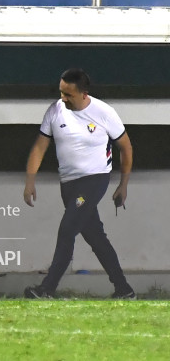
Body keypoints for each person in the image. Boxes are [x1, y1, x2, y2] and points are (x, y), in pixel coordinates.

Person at [22, 69, 135, 299]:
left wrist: (123, 185)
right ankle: (124, 289)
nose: (63, 98)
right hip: (69, 184)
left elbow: (126, 147)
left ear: (84, 94)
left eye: (68, 94)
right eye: (61, 92)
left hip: (95, 180)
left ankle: (46, 289)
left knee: (67, 229)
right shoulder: (54, 111)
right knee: (96, 237)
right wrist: (30, 181)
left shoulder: (104, 112)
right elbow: (39, 147)